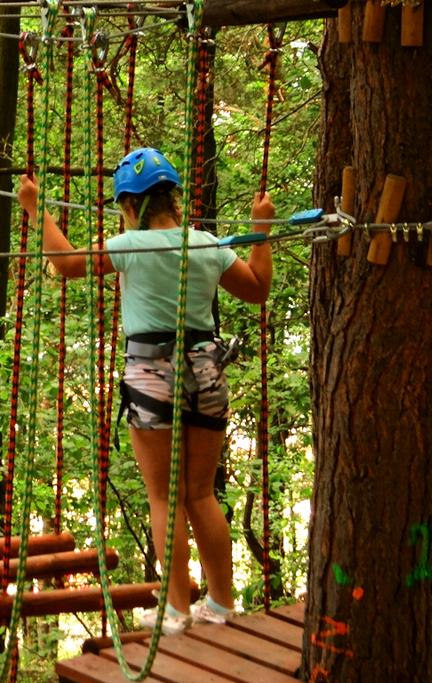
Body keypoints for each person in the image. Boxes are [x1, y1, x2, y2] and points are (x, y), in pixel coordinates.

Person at [18, 147, 274, 634]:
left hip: (151, 374)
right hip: (206, 371)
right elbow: (258, 288)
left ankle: (176, 611)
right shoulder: (207, 244)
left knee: (164, 497)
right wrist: (261, 232)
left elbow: (67, 264)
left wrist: (36, 210)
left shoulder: (129, 246)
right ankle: (220, 605)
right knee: (201, 495)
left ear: (131, 207)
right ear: (174, 200)